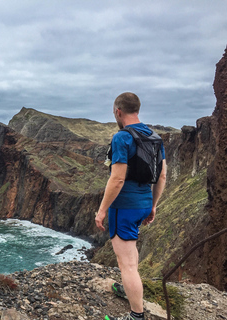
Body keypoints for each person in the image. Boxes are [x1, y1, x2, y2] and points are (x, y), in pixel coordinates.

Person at [96, 92, 167, 320]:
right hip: (144, 202)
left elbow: (117, 179)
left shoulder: (122, 138)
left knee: (125, 263)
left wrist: (102, 210)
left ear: (118, 111)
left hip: (125, 207)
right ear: (137, 109)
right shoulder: (155, 137)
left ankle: (136, 315)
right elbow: (162, 176)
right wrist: (153, 205)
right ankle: (129, 290)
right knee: (131, 253)